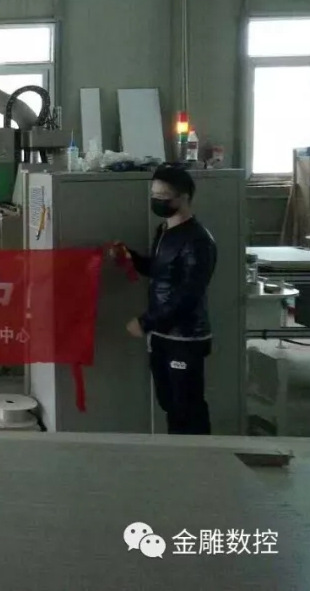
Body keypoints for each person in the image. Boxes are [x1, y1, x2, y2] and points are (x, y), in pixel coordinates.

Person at [117, 165, 217, 435]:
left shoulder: (198, 241)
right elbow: (159, 270)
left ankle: (200, 455)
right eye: (154, 194)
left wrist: (145, 322)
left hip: (185, 337)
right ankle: (178, 452)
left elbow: (188, 296)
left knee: (187, 406)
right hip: (161, 335)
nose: (157, 200)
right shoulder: (164, 231)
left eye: (163, 196)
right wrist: (131, 258)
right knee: (169, 403)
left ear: (183, 197)